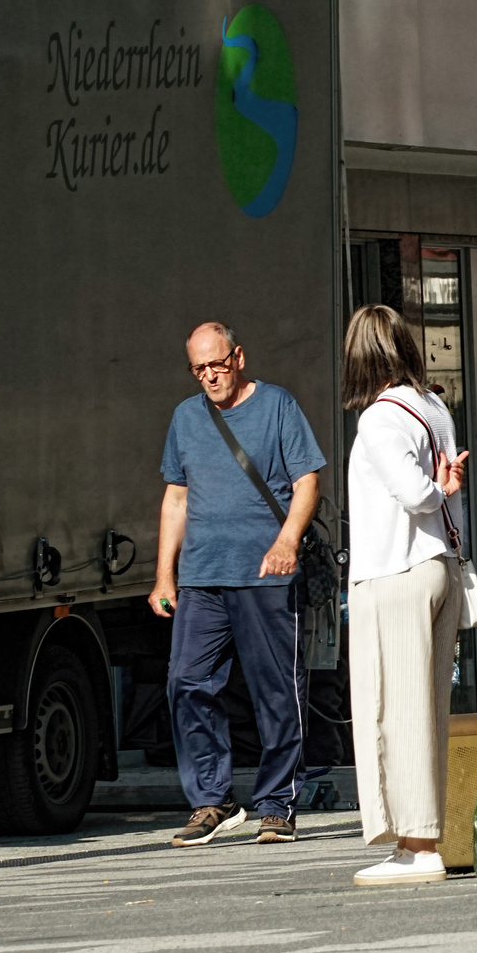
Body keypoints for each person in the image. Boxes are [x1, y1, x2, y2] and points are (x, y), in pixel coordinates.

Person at [149, 322, 327, 848]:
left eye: (217, 364)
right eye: (199, 368)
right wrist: (164, 574)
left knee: (276, 692)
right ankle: (213, 800)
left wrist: (287, 541)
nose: (210, 375)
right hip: (203, 575)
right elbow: (175, 499)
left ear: (239, 357)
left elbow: (307, 481)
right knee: (186, 682)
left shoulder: (277, 406)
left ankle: (276, 805)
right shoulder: (185, 417)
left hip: (265, 574)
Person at [338, 306, 469, 886]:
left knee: (393, 710)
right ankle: (420, 839)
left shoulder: (379, 419)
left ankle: (416, 848)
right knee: (426, 710)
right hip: (438, 564)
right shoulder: (433, 406)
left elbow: (416, 492)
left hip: (394, 571)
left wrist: (436, 487)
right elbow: (436, 491)